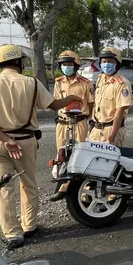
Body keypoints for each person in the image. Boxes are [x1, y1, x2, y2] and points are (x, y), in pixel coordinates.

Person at [0, 44, 84, 248]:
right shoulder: (31, 83)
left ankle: (12, 234)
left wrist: (6, 139)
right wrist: (72, 98)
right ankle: (29, 226)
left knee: (4, 189)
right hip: (25, 140)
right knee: (28, 184)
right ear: (18, 62)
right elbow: (53, 105)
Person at [49, 50, 95, 202]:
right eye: (63, 64)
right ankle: (63, 187)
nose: (66, 67)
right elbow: (56, 102)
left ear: (76, 66)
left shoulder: (86, 83)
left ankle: (85, 191)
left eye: (69, 64)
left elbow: (91, 104)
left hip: (80, 123)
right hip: (62, 124)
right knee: (62, 155)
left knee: (81, 155)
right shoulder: (58, 82)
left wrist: (88, 121)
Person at [89, 46, 131, 146]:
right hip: (96, 130)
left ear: (117, 64)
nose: (106, 64)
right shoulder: (101, 79)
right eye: (104, 61)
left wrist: (112, 136)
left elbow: (119, 112)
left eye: (110, 62)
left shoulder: (122, 83)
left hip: (111, 130)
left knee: (109, 161)